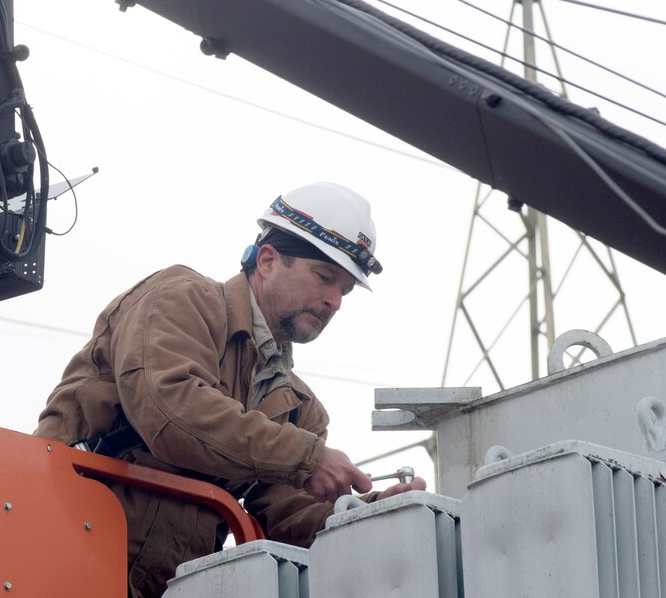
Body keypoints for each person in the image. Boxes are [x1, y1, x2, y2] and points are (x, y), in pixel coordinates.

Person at [34, 182, 426, 597]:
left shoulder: (299, 410)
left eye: (344, 290)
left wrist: (371, 513)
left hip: (160, 586)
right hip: (53, 549)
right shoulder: (181, 299)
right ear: (269, 261)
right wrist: (308, 458)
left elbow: (286, 512)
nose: (335, 301)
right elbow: (172, 414)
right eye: (325, 277)